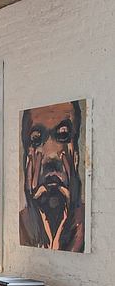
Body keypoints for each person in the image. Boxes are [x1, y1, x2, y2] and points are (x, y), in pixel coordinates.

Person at [19, 101, 86, 252]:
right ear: (27, 159)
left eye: (63, 135)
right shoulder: (19, 225)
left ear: (76, 155)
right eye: (36, 139)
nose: (51, 155)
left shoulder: (90, 225)